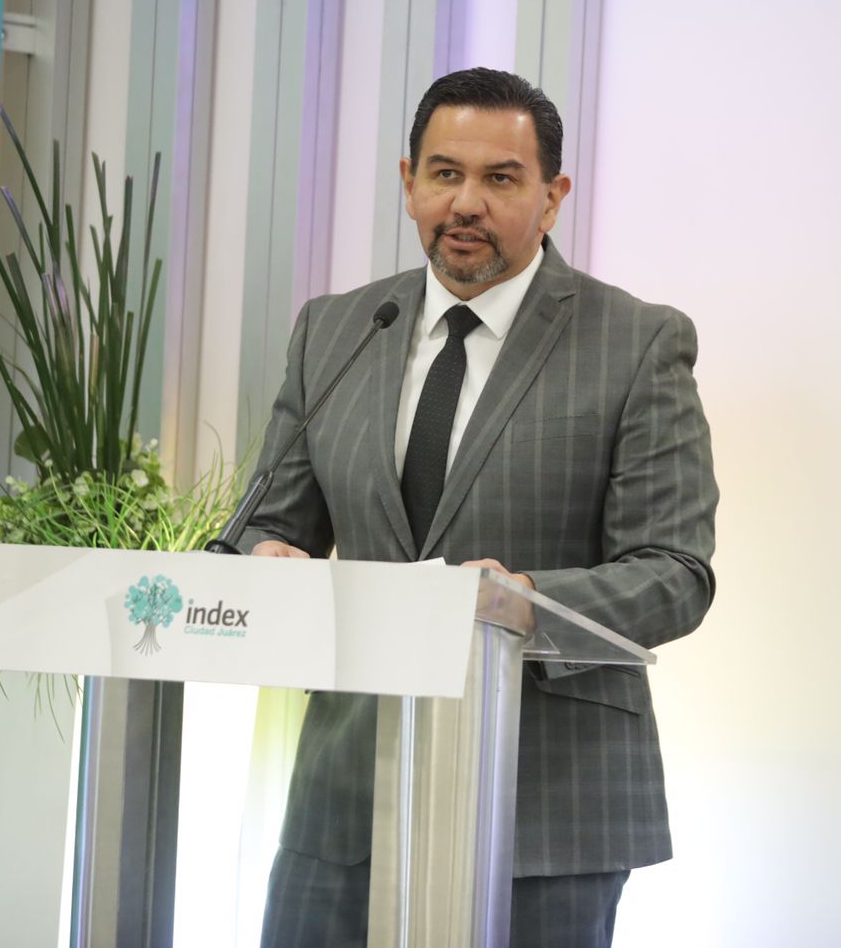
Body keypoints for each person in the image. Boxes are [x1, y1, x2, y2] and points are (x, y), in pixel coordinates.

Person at [240, 67, 718, 948]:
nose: (466, 202)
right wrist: (264, 556)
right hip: (345, 798)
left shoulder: (636, 341)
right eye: (444, 173)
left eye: (500, 178)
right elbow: (270, 520)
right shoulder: (337, 330)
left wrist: (523, 600)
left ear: (552, 197)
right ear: (408, 183)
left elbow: (675, 574)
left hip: (548, 806)